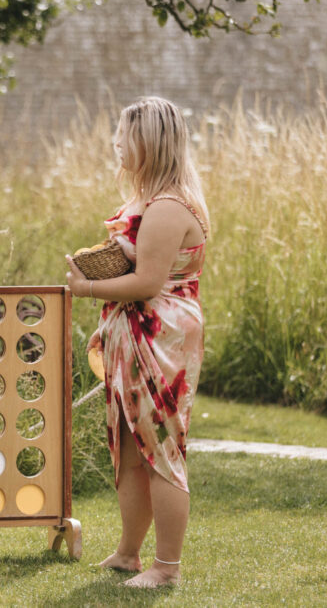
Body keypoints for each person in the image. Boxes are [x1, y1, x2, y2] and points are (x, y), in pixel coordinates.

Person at [64, 96, 209, 589]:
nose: (116, 143)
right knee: (129, 448)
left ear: (147, 142)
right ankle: (128, 554)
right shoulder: (147, 200)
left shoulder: (169, 206)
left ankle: (166, 567)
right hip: (135, 332)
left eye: (123, 135)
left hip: (160, 337)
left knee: (161, 449)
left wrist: (86, 288)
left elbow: (148, 282)